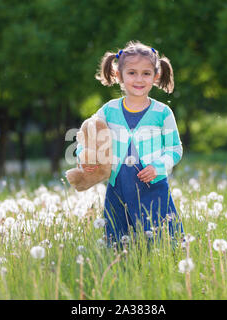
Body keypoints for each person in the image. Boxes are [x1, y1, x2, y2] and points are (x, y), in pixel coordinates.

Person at [76, 40, 184, 248]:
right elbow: (87, 135)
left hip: (153, 185)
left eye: (146, 73)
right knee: (116, 241)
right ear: (119, 75)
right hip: (118, 186)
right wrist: (85, 158)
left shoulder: (162, 113)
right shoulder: (109, 110)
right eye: (132, 73)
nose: (139, 79)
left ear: (156, 76)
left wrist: (158, 167)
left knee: (163, 240)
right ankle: (120, 273)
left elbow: (175, 149)